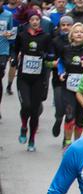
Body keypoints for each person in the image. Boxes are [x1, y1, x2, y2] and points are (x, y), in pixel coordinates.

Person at [13, 9, 54, 151]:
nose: (35, 22)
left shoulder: (46, 36)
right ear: (29, 22)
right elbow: (15, 49)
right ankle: (24, 126)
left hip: (38, 78)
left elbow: (51, 53)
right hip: (23, 77)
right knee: (26, 106)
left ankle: (32, 140)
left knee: (35, 110)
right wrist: (13, 59)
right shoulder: (22, 35)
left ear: (40, 21)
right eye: (32, 20)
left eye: (37, 19)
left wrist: (47, 56)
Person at [55, 22, 83, 148]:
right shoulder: (66, 49)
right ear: (71, 35)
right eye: (76, 32)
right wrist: (60, 72)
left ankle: (77, 144)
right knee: (70, 116)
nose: (78, 34)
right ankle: (67, 142)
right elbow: (60, 62)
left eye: (81, 32)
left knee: (80, 119)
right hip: (69, 88)